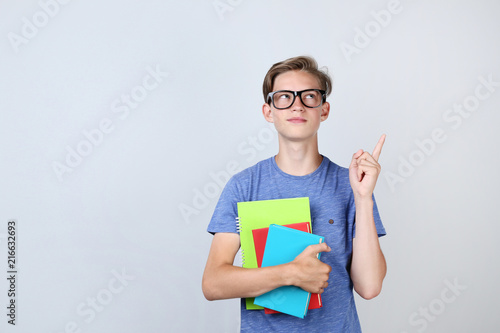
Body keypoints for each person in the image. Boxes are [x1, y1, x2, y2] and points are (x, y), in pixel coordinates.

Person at [202, 55, 387, 332]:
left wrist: (363, 197)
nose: (297, 105)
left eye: (309, 96)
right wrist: (290, 274)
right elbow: (213, 283)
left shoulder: (351, 185)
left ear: (323, 110)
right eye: (284, 97)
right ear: (269, 111)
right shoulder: (244, 186)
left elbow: (369, 287)